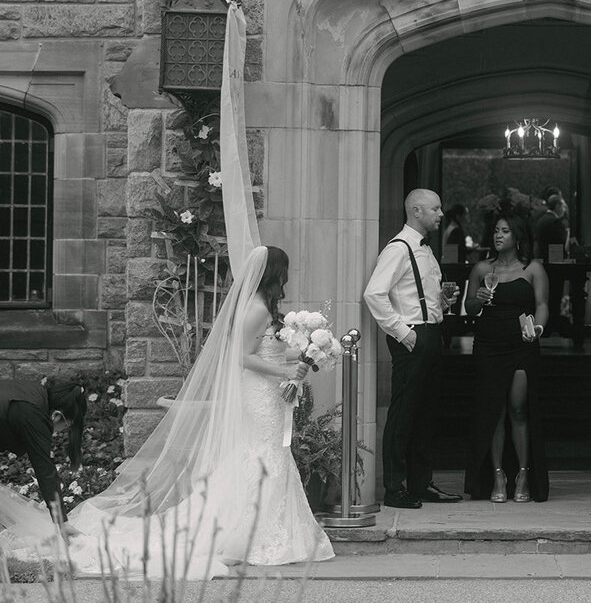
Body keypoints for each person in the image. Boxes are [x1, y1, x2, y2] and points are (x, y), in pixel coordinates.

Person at [10, 245, 335, 578]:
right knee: (263, 455)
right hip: (259, 395)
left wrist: (310, 352)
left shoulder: (263, 309)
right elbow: (242, 357)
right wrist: (284, 372)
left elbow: (271, 351)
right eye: (284, 271)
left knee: (268, 455)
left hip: (268, 394)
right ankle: (253, 535)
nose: (287, 278)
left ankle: (271, 532)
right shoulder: (257, 311)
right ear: (275, 273)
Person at [364, 188, 463, 509]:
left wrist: (442, 302)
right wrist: (403, 333)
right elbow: (374, 294)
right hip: (413, 338)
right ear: (416, 211)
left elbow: (416, 298)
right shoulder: (399, 248)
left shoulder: (425, 249)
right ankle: (395, 488)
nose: (441, 214)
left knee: (425, 414)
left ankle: (421, 483)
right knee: (404, 413)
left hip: (431, 332)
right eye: (435, 209)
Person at [463, 213, 551, 502]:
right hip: (488, 345)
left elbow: (542, 305)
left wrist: (537, 330)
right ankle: (498, 475)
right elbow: (470, 308)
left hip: (522, 344)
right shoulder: (481, 268)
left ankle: (523, 475)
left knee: (518, 408)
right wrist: (478, 298)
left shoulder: (533, 269)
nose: (498, 235)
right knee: (494, 411)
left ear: (518, 236)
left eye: (505, 231)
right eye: (496, 231)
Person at [0, 379, 86, 524]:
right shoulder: (33, 416)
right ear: (57, 416)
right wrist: (62, 522)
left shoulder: (34, 392)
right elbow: (45, 470)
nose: (61, 431)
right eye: (66, 426)